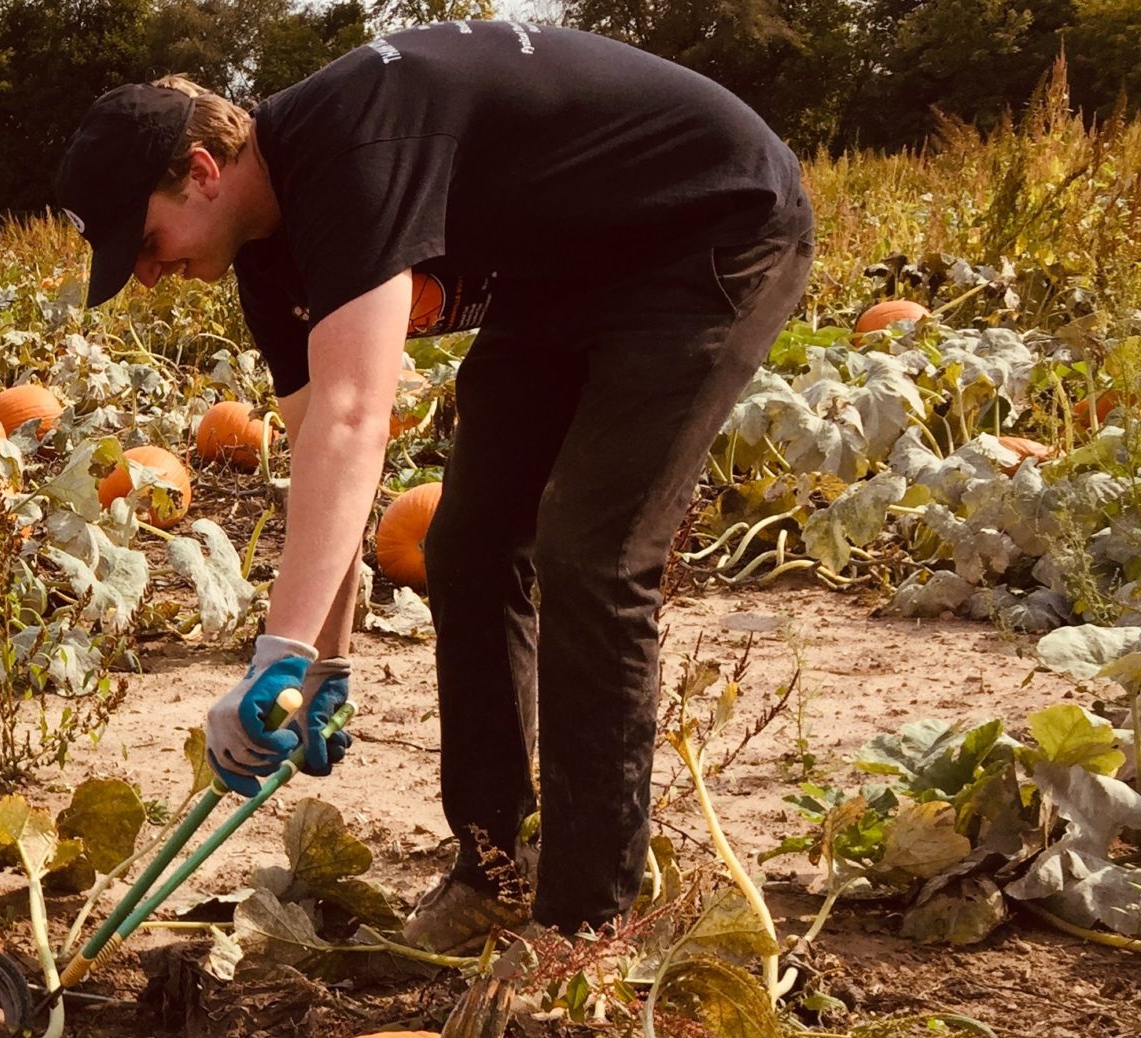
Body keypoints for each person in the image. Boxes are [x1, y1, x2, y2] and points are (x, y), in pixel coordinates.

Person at [52, 21, 813, 953]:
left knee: (592, 552)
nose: (149, 271)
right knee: (469, 544)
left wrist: (275, 654)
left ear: (203, 171)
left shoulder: (350, 147)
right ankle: (495, 871)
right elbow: (318, 454)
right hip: (565, 278)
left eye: (147, 238)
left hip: (707, 228)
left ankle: (585, 923)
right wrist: (323, 663)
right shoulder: (271, 255)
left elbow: (356, 415)